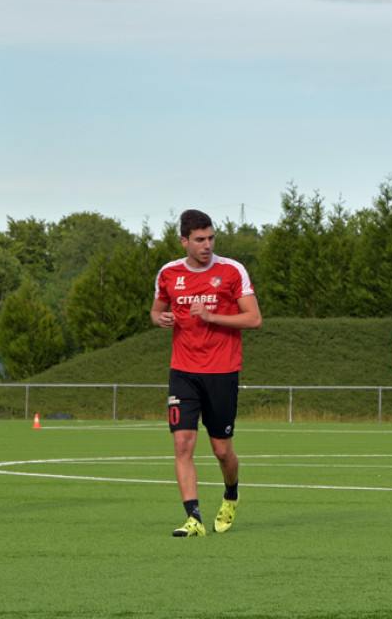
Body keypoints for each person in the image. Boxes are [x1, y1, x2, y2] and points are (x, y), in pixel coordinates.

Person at [151, 209, 262, 537]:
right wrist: (161, 319)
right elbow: (156, 311)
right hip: (183, 371)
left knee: (222, 451)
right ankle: (193, 518)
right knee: (182, 444)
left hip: (222, 371)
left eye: (211, 238)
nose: (207, 245)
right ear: (184, 241)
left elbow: (253, 318)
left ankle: (231, 494)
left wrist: (213, 317)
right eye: (200, 240)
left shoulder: (232, 271)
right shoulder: (169, 274)